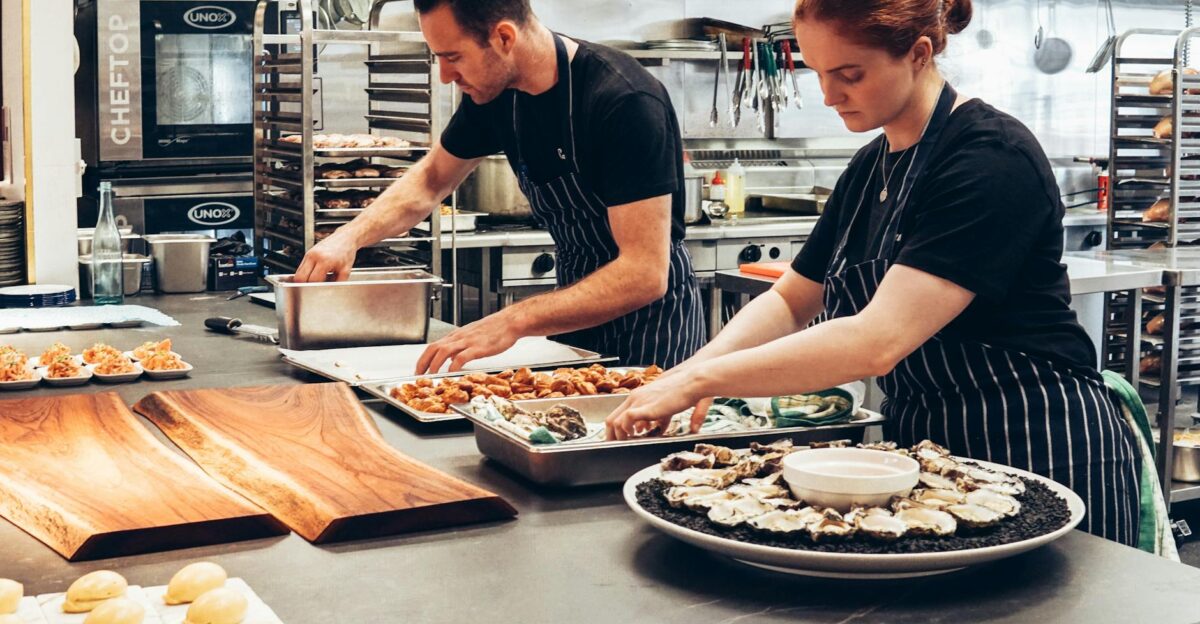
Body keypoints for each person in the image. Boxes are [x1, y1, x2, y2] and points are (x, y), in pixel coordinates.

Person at [606, 0, 1141, 546]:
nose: (829, 95)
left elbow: (876, 341)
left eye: (849, 75)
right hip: (928, 453)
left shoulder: (989, 158)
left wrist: (705, 380)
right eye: (818, 72)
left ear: (919, 53)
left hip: (1036, 439)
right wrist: (683, 375)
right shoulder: (870, 167)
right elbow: (793, 299)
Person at [293, 0, 705, 373]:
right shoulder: (496, 96)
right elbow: (431, 179)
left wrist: (513, 320)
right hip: (573, 318)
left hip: (652, 335)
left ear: (504, 37)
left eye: (453, 57)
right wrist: (348, 237)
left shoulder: (622, 100)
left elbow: (645, 274)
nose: (445, 76)